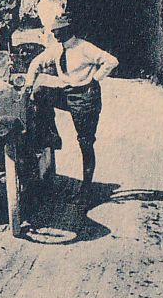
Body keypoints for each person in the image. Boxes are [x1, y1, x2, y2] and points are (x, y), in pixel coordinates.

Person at [26, 13, 118, 205]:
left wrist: (94, 79)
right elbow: (37, 63)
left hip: (86, 98)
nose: (55, 33)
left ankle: (86, 189)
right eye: (53, 30)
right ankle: (50, 133)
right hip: (67, 93)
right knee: (40, 93)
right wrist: (28, 85)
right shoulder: (57, 49)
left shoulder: (84, 47)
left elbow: (111, 61)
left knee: (85, 142)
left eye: (58, 30)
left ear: (68, 30)